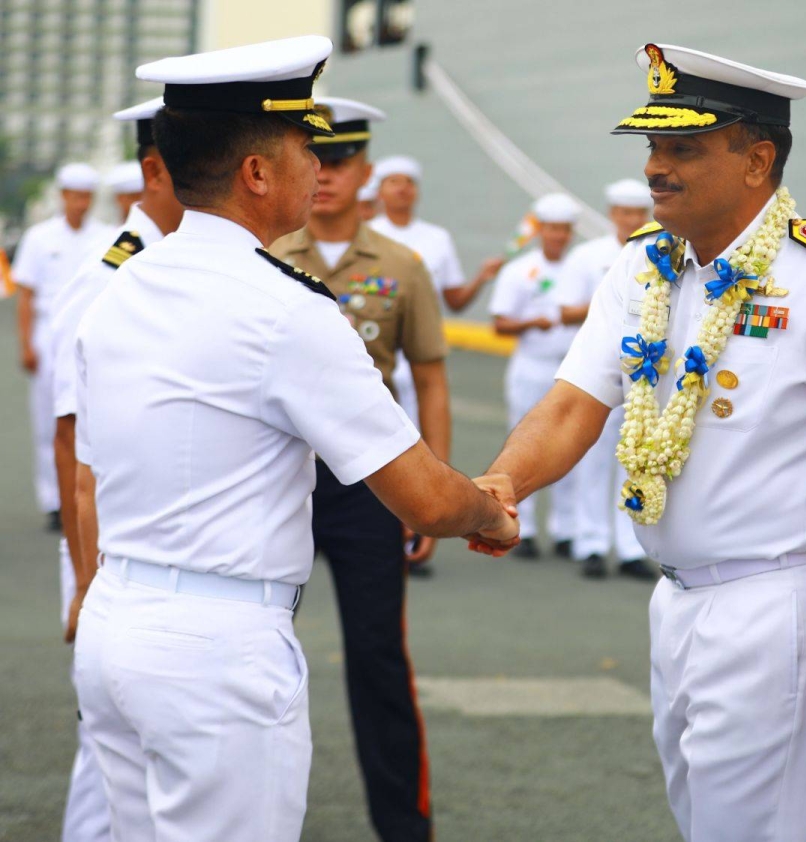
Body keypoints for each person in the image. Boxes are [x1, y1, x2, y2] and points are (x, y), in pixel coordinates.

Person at [70, 37, 518, 842]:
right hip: (215, 652)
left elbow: (90, 469)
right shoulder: (285, 309)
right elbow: (416, 491)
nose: (321, 165)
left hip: (116, 626)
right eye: (306, 146)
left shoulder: (125, 284)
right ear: (257, 173)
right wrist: (486, 511)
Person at [471, 44, 806, 840]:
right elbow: (573, 406)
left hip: (776, 604)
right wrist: (500, 486)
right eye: (652, 146)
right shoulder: (642, 270)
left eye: (683, 148)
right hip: (675, 599)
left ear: (757, 161)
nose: (655, 167)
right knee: (703, 823)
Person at [269, 95, 447, 841]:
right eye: (321, 159)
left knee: (377, 655)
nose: (331, 175)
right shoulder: (269, 256)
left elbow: (430, 375)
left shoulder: (403, 265)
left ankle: (403, 828)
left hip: (370, 483)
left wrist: (432, 487)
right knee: (254, 650)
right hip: (278, 476)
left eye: (344, 161)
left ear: (365, 170)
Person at [46, 96, 183, 842]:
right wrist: (86, 583)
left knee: (134, 766)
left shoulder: (171, 265)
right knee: (108, 770)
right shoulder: (113, 278)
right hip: (110, 562)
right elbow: (74, 451)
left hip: (150, 556)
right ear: (155, 171)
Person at [554, 178, 655, 580]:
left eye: (638, 213)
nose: (631, 220)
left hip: (645, 374)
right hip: (599, 368)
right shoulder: (587, 256)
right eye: (624, 212)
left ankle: (631, 548)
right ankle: (591, 542)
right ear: (612, 214)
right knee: (592, 460)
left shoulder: (660, 252)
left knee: (637, 460)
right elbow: (565, 311)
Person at [490, 192, 588, 561]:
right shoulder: (520, 270)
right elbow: (499, 323)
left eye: (564, 230)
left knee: (571, 443)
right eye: (551, 229)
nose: (558, 236)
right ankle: (523, 526)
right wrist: (535, 322)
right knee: (523, 443)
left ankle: (566, 529)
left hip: (572, 367)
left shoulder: (581, 267)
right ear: (540, 230)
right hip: (531, 364)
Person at [12, 161, 110, 530]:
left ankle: (81, 493)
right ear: (63, 196)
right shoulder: (39, 237)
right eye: (75, 196)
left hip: (89, 334)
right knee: (47, 422)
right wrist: (26, 344)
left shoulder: (106, 235)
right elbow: (26, 294)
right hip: (46, 332)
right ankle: (53, 499)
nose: (81, 204)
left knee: (86, 418)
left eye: (87, 197)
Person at [370, 155, 504, 419]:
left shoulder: (436, 238)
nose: (403, 188)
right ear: (379, 192)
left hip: (421, 349)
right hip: (377, 349)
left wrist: (481, 278)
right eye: (393, 181)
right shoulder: (365, 235)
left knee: (422, 432)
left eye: (409, 182)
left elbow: (454, 301)